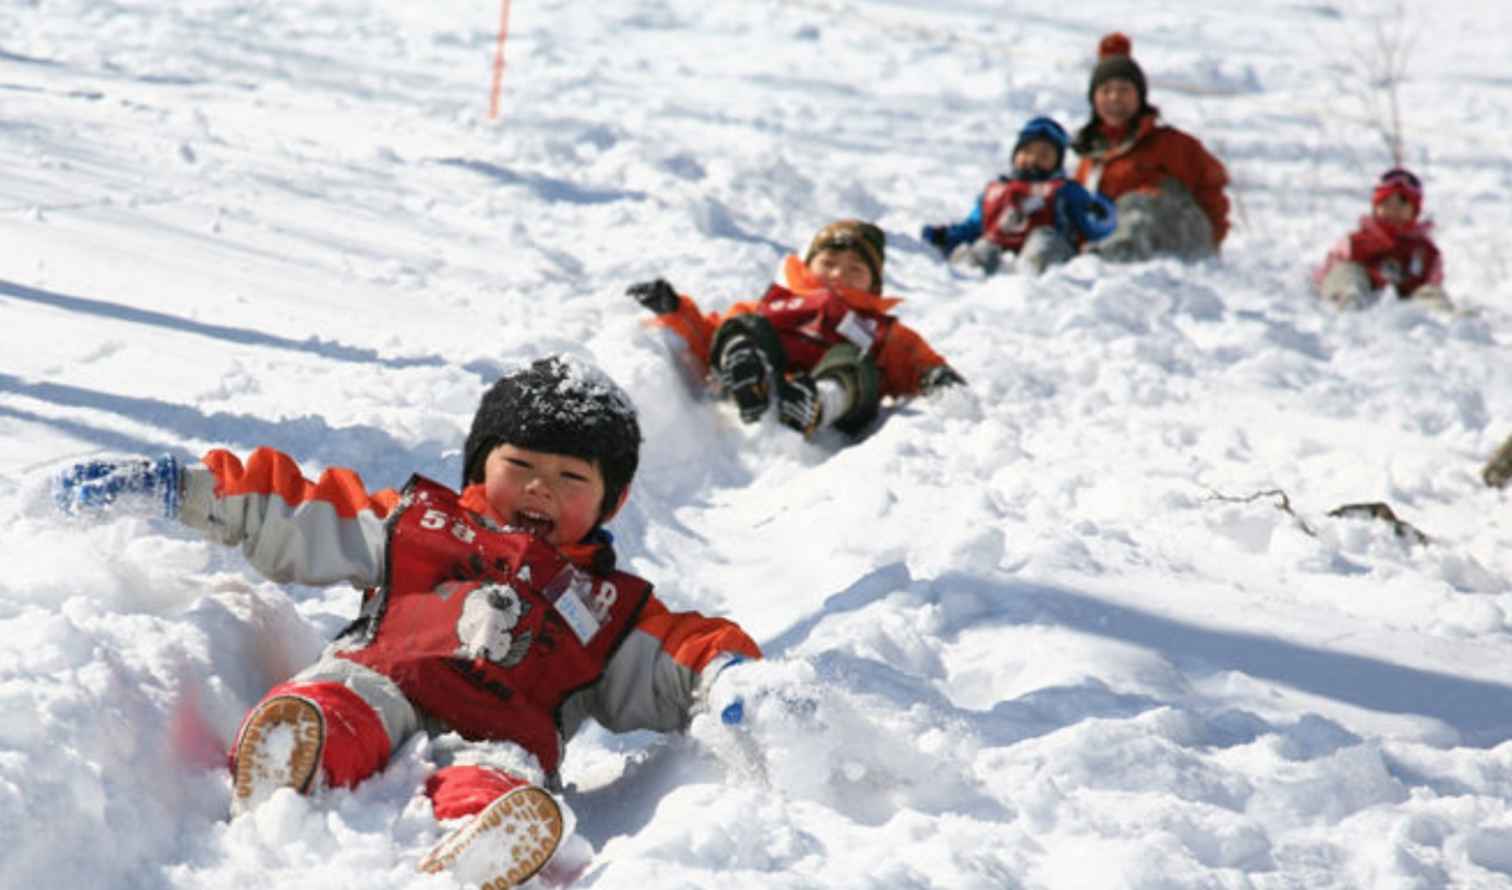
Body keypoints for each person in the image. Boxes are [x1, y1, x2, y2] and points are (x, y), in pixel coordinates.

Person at [53, 355, 762, 889]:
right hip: (380, 677)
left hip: (504, 730)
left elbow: (682, 650)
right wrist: (186, 491)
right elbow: (298, 510)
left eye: (572, 478)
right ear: (481, 466)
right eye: (521, 465)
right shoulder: (418, 524)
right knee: (337, 704)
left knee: (500, 774)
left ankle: (481, 839)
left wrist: (729, 678)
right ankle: (294, 752)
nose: (542, 487)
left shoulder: (609, 610)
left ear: (612, 499)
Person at [628, 219, 965, 440]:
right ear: (807, 265)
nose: (838, 275)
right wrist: (676, 310)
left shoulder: (878, 327)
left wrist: (936, 375)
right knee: (745, 324)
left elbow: (914, 358)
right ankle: (747, 375)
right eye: (828, 264)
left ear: (874, 283)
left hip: (838, 402)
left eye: (855, 269)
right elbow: (711, 335)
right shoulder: (776, 302)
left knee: (853, 358)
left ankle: (818, 400)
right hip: (769, 373)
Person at [1070, 32, 1231, 262]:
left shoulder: (1169, 143)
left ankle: (1116, 259)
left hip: (1177, 242)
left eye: (1124, 90)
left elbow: (1212, 186)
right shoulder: (1091, 159)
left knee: (1136, 205)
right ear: (1094, 101)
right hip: (1115, 242)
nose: (1115, 98)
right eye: (1106, 91)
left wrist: (1212, 240)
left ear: (1140, 97)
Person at [921, 116, 1116, 275]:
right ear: (1015, 155)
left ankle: (1032, 273)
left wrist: (1098, 211)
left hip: (1050, 247)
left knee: (1043, 240)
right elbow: (975, 225)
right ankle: (968, 272)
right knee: (985, 244)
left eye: (1044, 155)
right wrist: (946, 236)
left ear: (1057, 163)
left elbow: (1094, 225)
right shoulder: (997, 190)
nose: (1033, 159)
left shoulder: (1064, 189)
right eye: (1027, 152)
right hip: (999, 245)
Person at [1313, 167, 1451, 310]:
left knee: (1430, 292)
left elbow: (1434, 281)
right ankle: (1348, 302)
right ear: (1375, 207)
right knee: (1348, 272)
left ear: (1415, 211)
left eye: (1402, 204)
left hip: (1407, 301)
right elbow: (1330, 271)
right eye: (1386, 203)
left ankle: (1446, 317)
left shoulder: (1425, 251)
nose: (1394, 209)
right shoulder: (1355, 241)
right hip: (1363, 291)